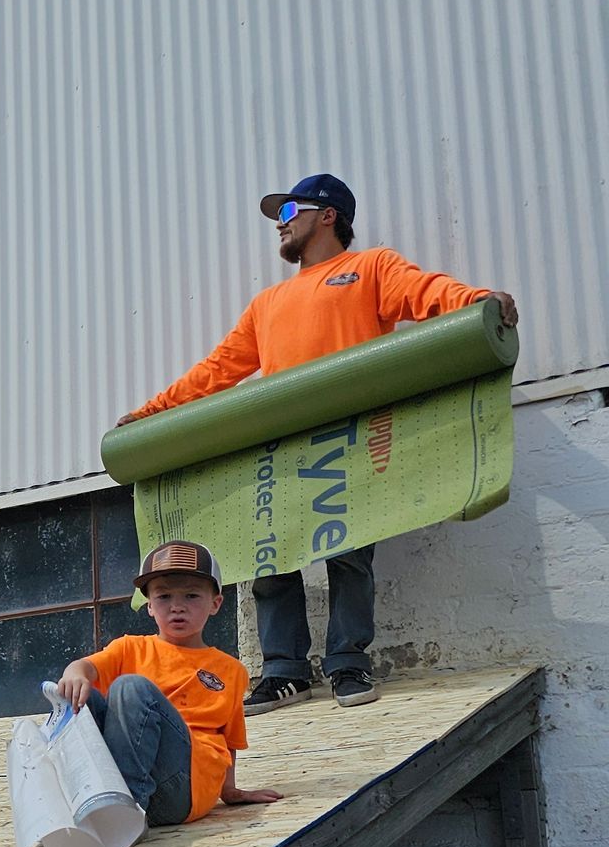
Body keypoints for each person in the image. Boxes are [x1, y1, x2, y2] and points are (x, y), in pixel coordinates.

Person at [116, 173, 517, 710]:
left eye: (287, 214)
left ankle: (349, 662)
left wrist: (480, 300)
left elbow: (426, 293)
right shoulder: (268, 303)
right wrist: (150, 413)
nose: (280, 226)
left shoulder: (369, 268)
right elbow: (217, 370)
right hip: (281, 445)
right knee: (269, 558)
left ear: (327, 215)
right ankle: (284, 670)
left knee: (349, 550)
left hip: (351, 436)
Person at [56, 543, 281, 827]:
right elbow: (85, 668)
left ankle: (122, 819)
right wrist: (74, 672)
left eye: (191, 595)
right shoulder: (129, 648)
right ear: (149, 605)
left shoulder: (230, 670)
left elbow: (229, 740)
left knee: (130, 687)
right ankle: (74, 816)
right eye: (163, 596)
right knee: (77, 697)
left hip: (182, 789)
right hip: (121, 782)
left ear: (215, 603)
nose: (177, 607)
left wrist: (229, 791)